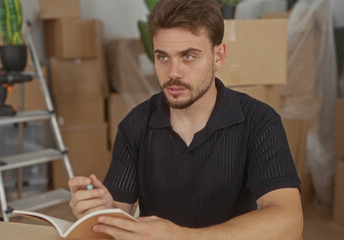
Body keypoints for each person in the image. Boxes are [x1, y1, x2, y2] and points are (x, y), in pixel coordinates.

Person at [69, 0, 303, 239]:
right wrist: (102, 211)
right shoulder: (135, 125)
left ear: (218, 56)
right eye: (163, 57)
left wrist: (182, 236)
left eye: (188, 56)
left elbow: (289, 223)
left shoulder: (259, 121)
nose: (173, 73)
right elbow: (115, 219)